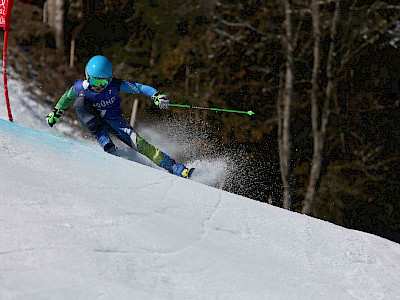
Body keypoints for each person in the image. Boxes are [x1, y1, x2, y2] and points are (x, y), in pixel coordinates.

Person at [46, 55, 190, 178]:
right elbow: (66, 97)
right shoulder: (80, 88)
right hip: (92, 121)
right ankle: (103, 139)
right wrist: (56, 112)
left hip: (115, 122)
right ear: (87, 76)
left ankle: (174, 167)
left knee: (141, 145)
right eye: (95, 82)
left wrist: (155, 95)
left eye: (104, 82)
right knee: (79, 102)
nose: (99, 86)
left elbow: (139, 87)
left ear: (110, 79)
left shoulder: (114, 85)